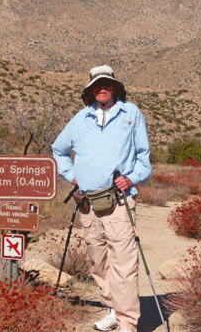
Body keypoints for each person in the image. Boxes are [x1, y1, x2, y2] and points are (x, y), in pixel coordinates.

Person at [52, 65, 153, 332]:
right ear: (91, 89)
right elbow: (58, 150)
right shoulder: (80, 119)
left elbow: (144, 158)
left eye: (107, 83)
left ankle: (128, 322)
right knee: (99, 261)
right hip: (87, 203)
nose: (102, 88)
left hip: (119, 201)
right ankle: (112, 311)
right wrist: (73, 176)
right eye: (97, 85)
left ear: (114, 87)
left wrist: (131, 178)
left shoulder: (131, 113)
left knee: (124, 261)